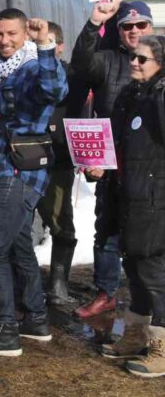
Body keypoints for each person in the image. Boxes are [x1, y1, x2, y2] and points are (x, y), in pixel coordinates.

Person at [0, 10, 67, 356]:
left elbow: (55, 90)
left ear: (24, 34)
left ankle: (5, 329)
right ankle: (35, 318)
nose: (4, 41)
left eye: (11, 34)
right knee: (19, 246)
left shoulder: (31, 67)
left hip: (14, 172)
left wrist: (45, 44)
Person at [70, 0, 154, 318]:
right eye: (126, 26)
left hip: (149, 169)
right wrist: (94, 23)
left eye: (140, 25)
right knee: (105, 230)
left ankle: (147, 304)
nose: (134, 31)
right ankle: (106, 292)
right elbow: (80, 62)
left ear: (150, 26)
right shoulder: (105, 60)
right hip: (111, 163)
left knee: (146, 238)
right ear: (118, 31)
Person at [96, 35, 165, 377]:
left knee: (156, 276)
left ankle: (161, 348)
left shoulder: (160, 96)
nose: (134, 63)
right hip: (128, 197)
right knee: (135, 271)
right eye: (133, 58)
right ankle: (136, 336)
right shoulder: (130, 95)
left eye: (142, 59)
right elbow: (116, 142)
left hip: (156, 202)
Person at [36, 22, 88, 305]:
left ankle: (58, 282)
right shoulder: (28, 72)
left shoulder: (72, 76)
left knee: (59, 220)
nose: (47, 45)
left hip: (58, 160)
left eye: (52, 40)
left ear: (61, 45)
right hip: (26, 156)